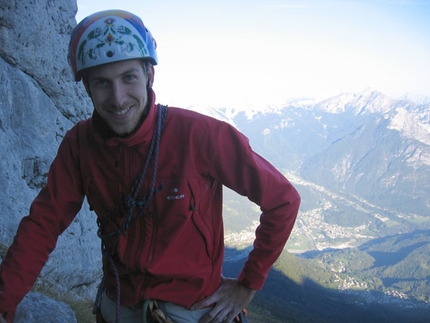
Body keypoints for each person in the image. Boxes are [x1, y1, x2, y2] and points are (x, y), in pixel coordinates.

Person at [0, 9, 300, 323]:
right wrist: (4, 305)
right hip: (118, 307)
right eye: (102, 82)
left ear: (149, 76)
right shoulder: (80, 146)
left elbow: (283, 200)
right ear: (87, 87)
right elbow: (42, 227)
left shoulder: (199, 135)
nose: (117, 99)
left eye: (128, 77)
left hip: (190, 311)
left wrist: (248, 284)